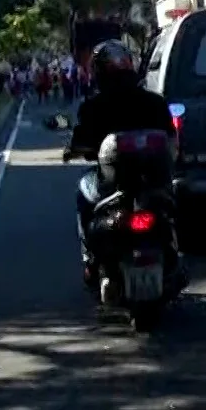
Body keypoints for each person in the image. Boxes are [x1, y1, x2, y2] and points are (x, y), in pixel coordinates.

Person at [62, 40, 177, 289]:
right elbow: (171, 138)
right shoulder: (154, 102)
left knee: (83, 195)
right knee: (172, 206)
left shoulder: (94, 106)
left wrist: (74, 150)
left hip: (114, 187)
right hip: (150, 183)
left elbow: (81, 141)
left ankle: (90, 261)